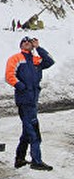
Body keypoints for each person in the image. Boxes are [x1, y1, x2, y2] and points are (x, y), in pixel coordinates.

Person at [5, 36, 54, 170]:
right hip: (25, 99)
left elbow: (50, 61)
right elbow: (9, 75)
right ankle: (36, 161)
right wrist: (22, 87)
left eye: (29, 42)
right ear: (20, 45)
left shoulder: (36, 60)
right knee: (33, 130)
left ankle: (20, 159)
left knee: (28, 129)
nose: (27, 43)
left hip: (33, 99)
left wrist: (38, 47)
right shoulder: (16, 58)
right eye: (24, 42)